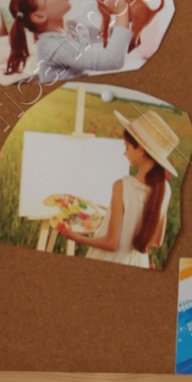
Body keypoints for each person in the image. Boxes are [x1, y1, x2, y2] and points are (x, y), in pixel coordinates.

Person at [50, 106, 178, 266]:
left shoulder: (123, 186)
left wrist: (76, 238)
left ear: (141, 150)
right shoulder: (165, 189)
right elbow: (157, 241)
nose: (124, 153)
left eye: (127, 147)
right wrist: (108, 210)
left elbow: (111, 243)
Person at [2, 0, 157, 86]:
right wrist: (121, 12)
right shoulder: (51, 46)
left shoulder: (72, 27)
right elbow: (113, 60)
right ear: (39, 16)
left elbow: (108, 36)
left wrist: (115, 8)